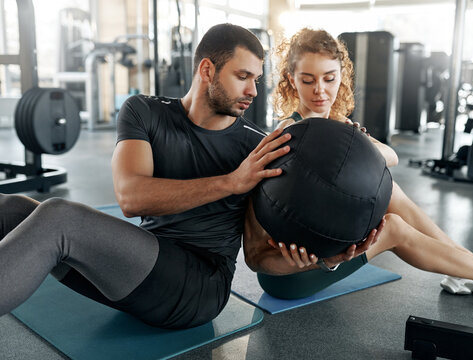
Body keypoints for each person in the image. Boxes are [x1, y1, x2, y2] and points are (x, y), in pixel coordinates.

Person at [0, 23, 291, 329]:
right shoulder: (144, 111)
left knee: (59, 217)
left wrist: (321, 260)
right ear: (207, 70)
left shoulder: (257, 148)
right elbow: (131, 197)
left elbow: (257, 255)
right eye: (242, 76)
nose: (253, 91)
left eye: (256, 79)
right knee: (9, 208)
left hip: (198, 289)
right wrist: (231, 182)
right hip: (139, 267)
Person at [242, 28, 473, 315]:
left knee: (388, 188)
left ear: (341, 77)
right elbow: (255, 253)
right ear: (291, 80)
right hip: (290, 275)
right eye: (307, 80)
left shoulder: (337, 125)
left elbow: (391, 156)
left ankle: (466, 266)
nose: (320, 90)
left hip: (329, 250)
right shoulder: (283, 139)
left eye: (329, 78)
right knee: (393, 227)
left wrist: (359, 146)